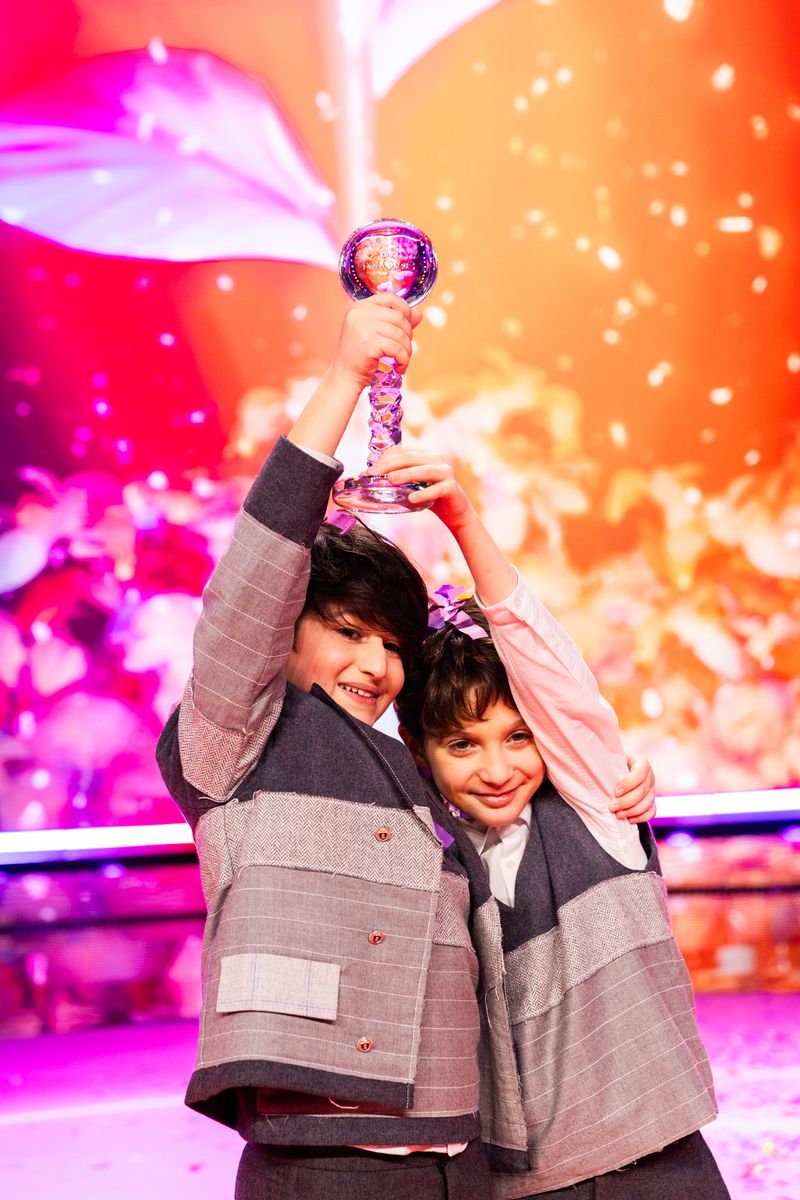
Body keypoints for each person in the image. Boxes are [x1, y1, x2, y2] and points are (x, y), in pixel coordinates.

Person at [156, 294, 655, 1200]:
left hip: (460, 1159)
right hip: (320, 1156)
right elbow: (254, 581)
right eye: (348, 632)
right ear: (287, 634)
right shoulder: (233, 747)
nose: (375, 664)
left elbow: (550, 722)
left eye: (392, 643)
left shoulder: (429, 788)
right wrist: (347, 376)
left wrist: (612, 781)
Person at [384, 446, 730, 1199]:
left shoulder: (598, 805)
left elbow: (557, 682)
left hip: (653, 1168)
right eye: (462, 745)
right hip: (515, 1183)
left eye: (518, 736)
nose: (497, 768)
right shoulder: (428, 857)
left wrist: (463, 521)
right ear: (417, 748)